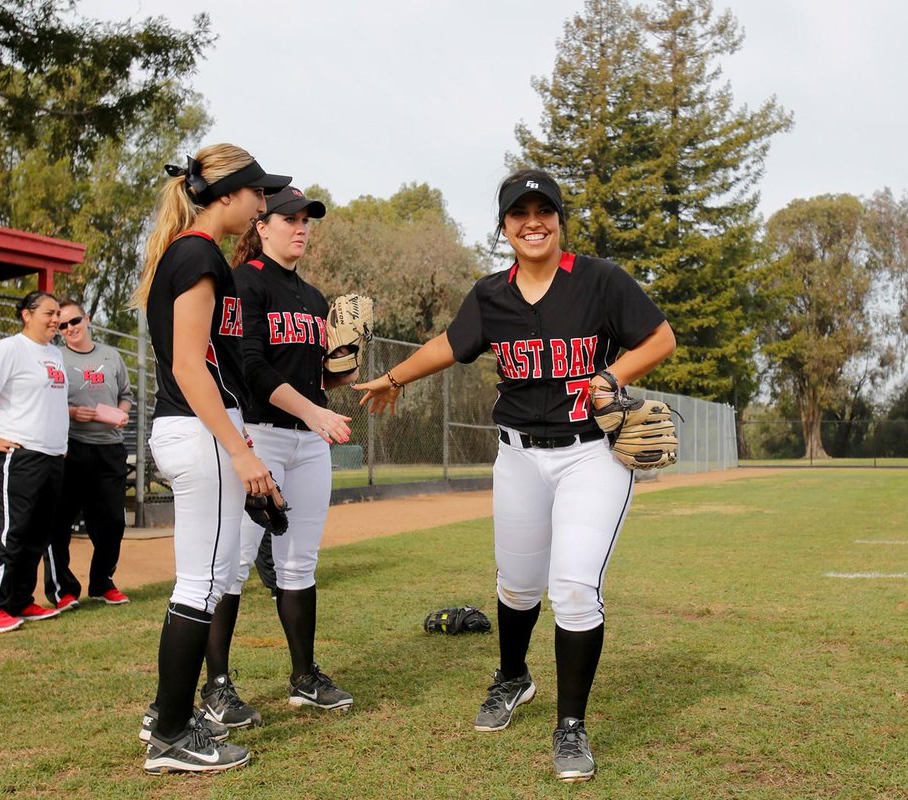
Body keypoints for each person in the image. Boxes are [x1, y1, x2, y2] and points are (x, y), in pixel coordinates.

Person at [356, 169, 676, 783]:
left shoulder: (600, 281)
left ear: (559, 219)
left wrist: (613, 377)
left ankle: (571, 725)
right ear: (504, 226)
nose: (533, 222)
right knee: (518, 583)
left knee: (575, 588)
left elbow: (659, 337)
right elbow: (450, 343)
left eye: (544, 210)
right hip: (519, 455)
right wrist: (395, 377)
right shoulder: (491, 294)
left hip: (591, 455)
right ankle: (512, 677)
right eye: (519, 213)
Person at [130, 143, 290, 775]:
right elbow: (191, 367)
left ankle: (167, 713)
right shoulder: (197, 253)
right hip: (199, 432)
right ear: (227, 196)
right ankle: (171, 734)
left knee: (206, 577)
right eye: (257, 192)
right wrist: (242, 450)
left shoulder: (190, 252)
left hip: (191, 430)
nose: (262, 203)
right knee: (201, 582)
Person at [197, 186, 356, 729]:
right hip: (256, 435)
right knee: (233, 565)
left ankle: (304, 675)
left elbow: (320, 376)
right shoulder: (244, 282)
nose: (301, 227)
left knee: (298, 563)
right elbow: (254, 366)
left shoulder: (313, 297)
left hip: (308, 442)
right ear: (261, 226)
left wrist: (347, 360)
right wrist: (314, 411)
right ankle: (216, 685)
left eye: (307, 219)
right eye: (289, 218)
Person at [0, 291, 70, 633]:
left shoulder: (55, 353)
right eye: (49, 313)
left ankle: (20, 600)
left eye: (58, 314)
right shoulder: (7, 349)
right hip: (19, 454)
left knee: (38, 533)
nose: (56, 319)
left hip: (52, 455)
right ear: (27, 314)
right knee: (10, 529)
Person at [41, 298, 135, 611]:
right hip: (70, 447)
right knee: (58, 521)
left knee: (111, 521)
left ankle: (102, 582)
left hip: (109, 448)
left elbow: (126, 396)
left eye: (74, 321)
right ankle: (63, 590)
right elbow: (44, 399)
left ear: (88, 319)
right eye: (62, 325)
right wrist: (70, 412)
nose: (69, 329)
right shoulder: (55, 357)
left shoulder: (111, 356)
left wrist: (121, 413)